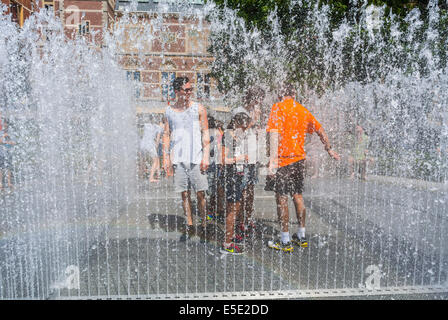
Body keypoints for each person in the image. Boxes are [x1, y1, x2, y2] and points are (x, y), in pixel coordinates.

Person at [265, 83, 340, 253]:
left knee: (282, 199)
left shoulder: (277, 108)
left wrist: (272, 161)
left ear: (280, 94)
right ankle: (301, 235)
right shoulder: (302, 110)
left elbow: (274, 134)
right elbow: (320, 130)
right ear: (294, 94)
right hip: (299, 160)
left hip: (283, 161)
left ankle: (285, 241)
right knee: (297, 196)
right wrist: (329, 148)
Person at [162, 77, 210, 242]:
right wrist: (166, 157)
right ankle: (189, 225)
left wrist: (205, 156)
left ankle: (204, 225)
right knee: (184, 194)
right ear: (177, 92)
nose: (190, 92)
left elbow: (205, 133)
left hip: (196, 158)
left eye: (191, 89)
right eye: (186, 90)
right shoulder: (169, 111)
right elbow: (166, 134)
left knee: (201, 194)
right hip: (178, 159)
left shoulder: (199, 108)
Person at [231, 87, 265, 238]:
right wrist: (253, 120)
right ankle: (239, 221)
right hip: (243, 158)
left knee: (250, 190)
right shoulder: (238, 111)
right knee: (242, 191)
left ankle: (247, 218)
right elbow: (238, 132)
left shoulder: (254, 111)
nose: (260, 102)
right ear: (252, 98)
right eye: (259, 99)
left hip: (253, 157)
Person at [220, 112, 252, 255]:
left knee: (235, 208)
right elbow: (223, 160)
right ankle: (227, 244)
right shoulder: (227, 136)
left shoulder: (235, 136)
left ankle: (231, 236)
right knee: (232, 209)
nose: (245, 131)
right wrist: (239, 158)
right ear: (237, 124)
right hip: (230, 176)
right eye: (244, 128)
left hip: (236, 176)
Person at [206, 115, 225, 221]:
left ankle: (213, 213)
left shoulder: (210, 132)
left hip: (211, 165)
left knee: (211, 191)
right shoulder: (217, 132)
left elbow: (217, 147)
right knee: (216, 190)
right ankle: (218, 211)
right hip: (215, 164)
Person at [140, 118, 163, 182]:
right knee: (155, 160)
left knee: (142, 160)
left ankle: (141, 175)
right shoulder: (158, 127)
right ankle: (151, 178)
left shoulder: (146, 125)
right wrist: (155, 148)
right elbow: (158, 140)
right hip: (150, 145)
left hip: (142, 144)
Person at [0, 119, 15, 191]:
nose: (5, 125)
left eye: (6, 124)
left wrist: (6, 141)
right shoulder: (1, 132)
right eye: (4, 124)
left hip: (9, 153)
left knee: (9, 168)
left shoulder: (11, 132)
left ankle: (9, 183)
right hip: (1, 153)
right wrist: (3, 137)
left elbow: (13, 143)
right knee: (1, 169)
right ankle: (1, 184)